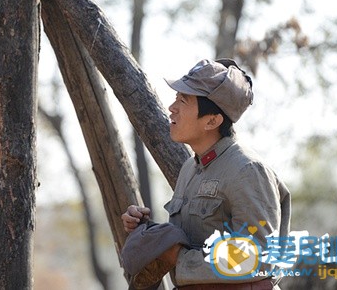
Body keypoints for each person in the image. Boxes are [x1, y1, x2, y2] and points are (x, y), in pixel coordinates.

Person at [121, 59, 291, 289]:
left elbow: (259, 257)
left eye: (183, 100)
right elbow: (194, 239)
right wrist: (147, 230)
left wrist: (179, 260)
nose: (172, 107)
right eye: (176, 98)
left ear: (212, 120)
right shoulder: (190, 169)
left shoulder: (247, 170)